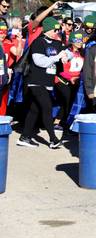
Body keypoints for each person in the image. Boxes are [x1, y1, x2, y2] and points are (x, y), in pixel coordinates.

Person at [17, 17, 69, 148]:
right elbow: (40, 62)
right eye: (54, 29)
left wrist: (65, 56)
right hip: (36, 81)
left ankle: (25, 137)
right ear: (47, 29)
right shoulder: (38, 42)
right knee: (47, 107)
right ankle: (53, 139)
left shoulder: (57, 43)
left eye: (58, 29)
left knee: (35, 110)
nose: (57, 32)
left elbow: (67, 53)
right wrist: (57, 57)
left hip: (48, 82)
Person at [54, 31, 85, 131]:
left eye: (81, 40)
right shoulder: (66, 52)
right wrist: (70, 78)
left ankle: (64, 123)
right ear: (72, 41)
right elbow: (61, 70)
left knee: (71, 102)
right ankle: (57, 122)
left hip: (76, 81)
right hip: (62, 80)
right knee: (66, 100)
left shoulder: (82, 53)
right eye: (77, 40)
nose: (80, 42)